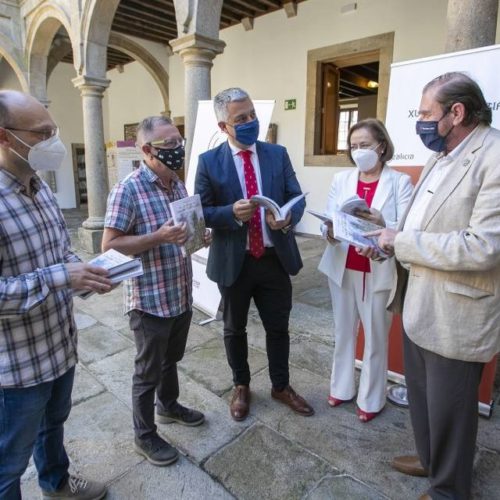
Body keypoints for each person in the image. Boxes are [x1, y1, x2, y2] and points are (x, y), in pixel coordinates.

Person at [366, 72, 500, 499]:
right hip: (419, 299)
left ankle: (449, 490)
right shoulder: (442, 153)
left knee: (451, 409)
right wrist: (389, 241)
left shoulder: (494, 156)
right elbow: (422, 224)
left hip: (457, 311)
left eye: (426, 113)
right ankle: (430, 460)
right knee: (424, 399)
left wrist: (401, 241)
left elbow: (483, 247)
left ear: (456, 112)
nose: (420, 121)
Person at [0, 91, 112, 499]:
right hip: (17, 368)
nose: (54, 142)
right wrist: (59, 277)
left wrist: (86, 273)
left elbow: (59, 251)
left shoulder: (40, 186)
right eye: (43, 133)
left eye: (54, 131)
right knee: (7, 463)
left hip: (60, 346)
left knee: (54, 426)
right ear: (5, 137)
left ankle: (57, 485)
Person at [195, 87, 314, 422]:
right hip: (235, 261)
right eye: (241, 119)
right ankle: (241, 386)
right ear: (223, 126)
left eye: (252, 115)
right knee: (234, 329)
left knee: (279, 327)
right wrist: (230, 212)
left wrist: (289, 216)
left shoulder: (277, 154)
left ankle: (281, 385)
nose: (250, 122)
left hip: (274, 258)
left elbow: (296, 195)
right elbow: (202, 211)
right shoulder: (209, 162)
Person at [102, 116, 210, 467]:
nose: (179, 150)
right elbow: (111, 244)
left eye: (180, 141)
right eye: (170, 145)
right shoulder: (127, 190)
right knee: (147, 370)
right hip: (148, 299)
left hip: (178, 292)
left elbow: (182, 234)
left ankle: (169, 406)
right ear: (147, 150)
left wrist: (198, 236)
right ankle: (144, 434)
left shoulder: (176, 185)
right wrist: (157, 237)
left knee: (171, 360)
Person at [318, 119, 413, 422]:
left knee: (375, 335)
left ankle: (371, 399)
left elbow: (408, 229)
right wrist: (329, 230)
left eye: (365, 145)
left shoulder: (400, 182)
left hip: (378, 267)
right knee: (343, 331)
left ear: (382, 147)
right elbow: (330, 219)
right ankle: (341, 387)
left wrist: (382, 222)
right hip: (343, 264)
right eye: (354, 146)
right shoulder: (341, 179)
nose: (358, 151)